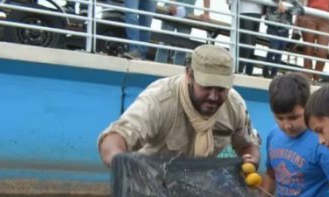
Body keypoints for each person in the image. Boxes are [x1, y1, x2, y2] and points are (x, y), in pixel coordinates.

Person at [98, 44, 260, 167]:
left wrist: (251, 161)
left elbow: (247, 145)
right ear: (189, 75)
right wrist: (122, 163)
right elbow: (115, 138)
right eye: (206, 86)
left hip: (198, 193)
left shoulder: (235, 105)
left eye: (220, 89)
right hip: (150, 193)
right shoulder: (159, 99)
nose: (213, 97)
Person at [295, 0, 329, 79]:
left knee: (322, 52)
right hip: (309, 15)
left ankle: (316, 77)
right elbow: (301, 3)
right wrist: (297, 22)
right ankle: (307, 78)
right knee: (308, 50)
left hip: (326, 19)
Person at [155, 0, 211, 66]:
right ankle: (158, 68)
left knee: (182, 47)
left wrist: (206, 13)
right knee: (164, 43)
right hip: (170, 10)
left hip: (187, 13)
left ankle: (178, 72)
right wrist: (172, 3)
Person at [263, 0, 304, 79]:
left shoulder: (292, 1)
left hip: (284, 29)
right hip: (272, 27)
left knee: (279, 52)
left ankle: (273, 74)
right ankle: (266, 70)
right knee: (274, 47)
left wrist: (287, 9)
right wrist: (279, 2)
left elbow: (301, 10)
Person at [231, 0, 264, 75]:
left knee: (251, 45)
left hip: (257, 12)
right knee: (246, 43)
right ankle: (238, 69)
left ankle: (240, 69)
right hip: (244, 11)